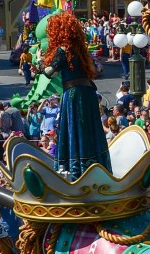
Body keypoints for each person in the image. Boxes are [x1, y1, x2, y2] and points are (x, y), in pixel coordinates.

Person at [43, 12, 111, 179]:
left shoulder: (62, 50)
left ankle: (76, 170)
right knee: (88, 129)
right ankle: (96, 165)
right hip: (87, 93)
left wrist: (39, 62)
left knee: (75, 129)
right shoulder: (79, 50)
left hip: (73, 94)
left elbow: (49, 73)